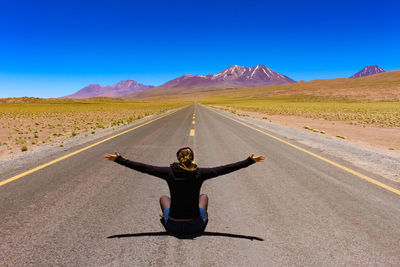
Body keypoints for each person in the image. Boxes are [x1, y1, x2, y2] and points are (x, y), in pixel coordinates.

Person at [104, 147, 265, 235]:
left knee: (163, 198)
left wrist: (119, 159)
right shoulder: (200, 173)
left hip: (173, 226)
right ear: (192, 159)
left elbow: (144, 168)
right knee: (204, 196)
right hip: (196, 227)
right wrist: (249, 161)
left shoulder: (168, 172)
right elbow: (224, 169)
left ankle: (165, 217)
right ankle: (201, 217)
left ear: (178, 158)